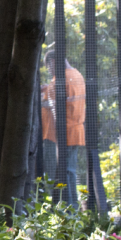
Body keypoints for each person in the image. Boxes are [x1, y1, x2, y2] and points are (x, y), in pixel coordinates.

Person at [40, 49, 87, 207]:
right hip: (77, 131)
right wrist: (48, 89)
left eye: (49, 68)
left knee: (65, 172)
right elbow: (69, 99)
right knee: (69, 171)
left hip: (63, 133)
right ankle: (70, 206)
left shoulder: (58, 81)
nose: (50, 72)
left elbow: (53, 107)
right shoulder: (77, 75)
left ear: (53, 62)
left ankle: (70, 209)